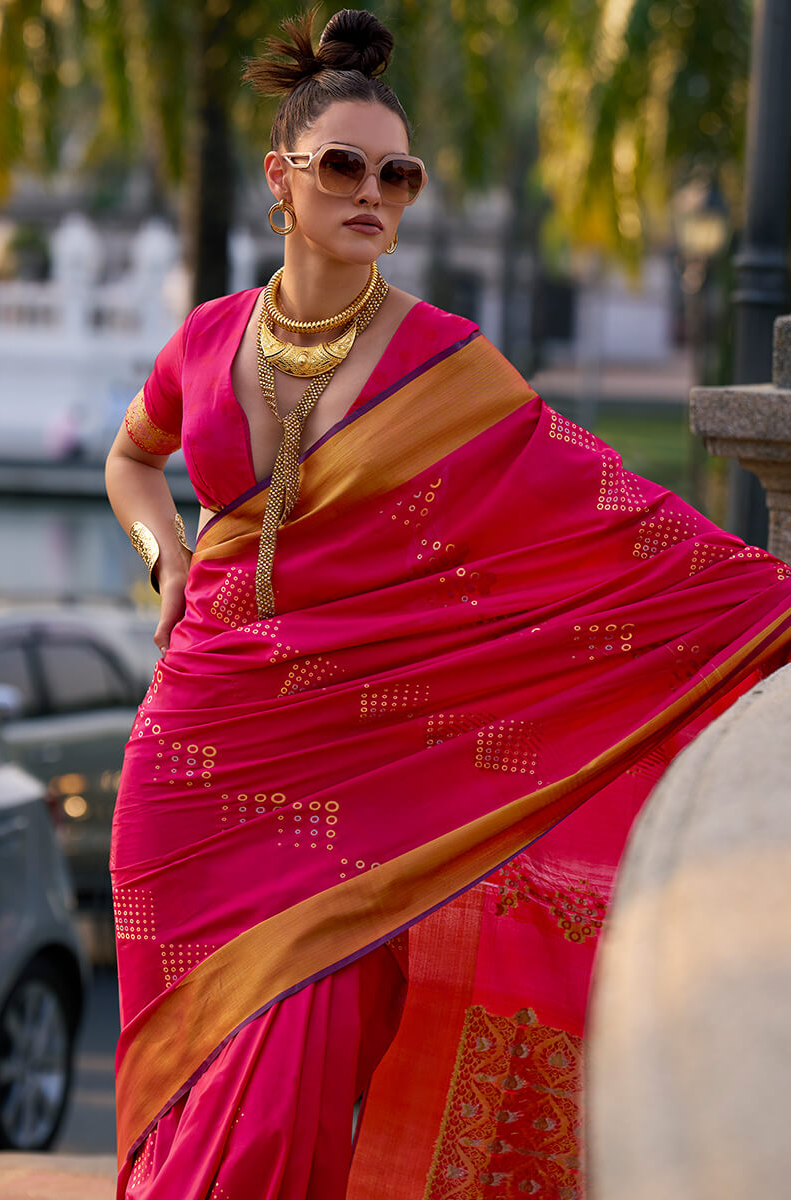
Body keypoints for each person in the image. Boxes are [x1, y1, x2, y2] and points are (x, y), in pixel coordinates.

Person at [105, 9, 791, 1199]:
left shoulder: (446, 366)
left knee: (287, 1108)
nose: (372, 192)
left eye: (397, 174)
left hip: (354, 784)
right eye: (344, 167)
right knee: (185, 1083)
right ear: (282, 177)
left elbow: (608, 512)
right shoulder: (207, 341)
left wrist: (764, 596)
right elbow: (131, 460)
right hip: (192, 759)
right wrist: (165, 557)